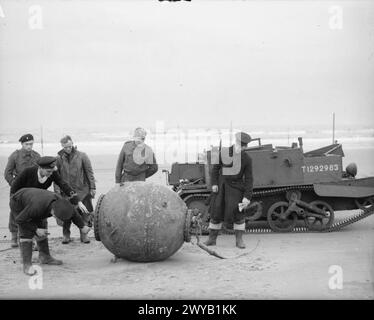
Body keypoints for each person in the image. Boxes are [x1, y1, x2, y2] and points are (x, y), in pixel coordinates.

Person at [10, 156, 91, 242]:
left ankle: (39, 244)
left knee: (42, 221)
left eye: (52, 171)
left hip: (40, 199)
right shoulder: (27, 172)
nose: (51, 174)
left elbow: (63, 185)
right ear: (40, 168)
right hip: (21, 200)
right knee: (25, 223)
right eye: (48, 171)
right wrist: (22, 203)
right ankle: (20, 239)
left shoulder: (52, 173)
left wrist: (78, 201)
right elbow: (14, 189)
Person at [10, 187, 78, 275]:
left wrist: (82, 226)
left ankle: (44, 256)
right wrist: (35, 229)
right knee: (26, 231)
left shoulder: (60, 203)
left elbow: (73, 212)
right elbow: (19, 220)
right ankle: (27, 264)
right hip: (18, 203)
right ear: (53, 212)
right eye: (57, 217)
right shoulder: (36, 207)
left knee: (42, 225)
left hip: (35, 201)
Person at [205, 131, 254, 249]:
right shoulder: (224, 153)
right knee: (216, 212)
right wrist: (214, 184)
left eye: (243, 146)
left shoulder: (247, 159)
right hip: (221, 187)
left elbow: (249, 179)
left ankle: (239, 240)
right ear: (236, 142)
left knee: (238, 214)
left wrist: (247, 196)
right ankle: (212, 239)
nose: (241, 148)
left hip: (237, 189)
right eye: (240, 145)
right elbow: (215, 169)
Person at [55, 135, 96, 244]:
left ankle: (84, 235)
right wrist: (57, 192)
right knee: (66, 214)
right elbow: (56, 177)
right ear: (62, 146)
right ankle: (66, 235)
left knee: (85, 213)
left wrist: (92, 187)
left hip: (82, 190)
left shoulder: (82, 156)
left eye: (69, 146)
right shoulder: (58, 159)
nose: (68, 149)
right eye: (65, 147)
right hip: (66, 192)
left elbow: (89, 172)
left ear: (72, 144)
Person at [3, 134, 40, 248]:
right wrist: (14, 184)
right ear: (22, 144)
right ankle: (14, 237)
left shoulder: (37, 156)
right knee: (15, 213)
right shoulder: (15, 156)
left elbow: (40, 172)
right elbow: (7, 173)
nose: (29, 146)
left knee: (33, 213)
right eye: (27, 144)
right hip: (17, 190)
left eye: (31, 144)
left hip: (32, 190)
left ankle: (32, 238)